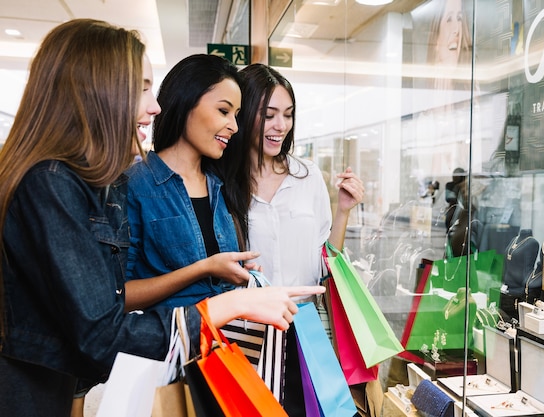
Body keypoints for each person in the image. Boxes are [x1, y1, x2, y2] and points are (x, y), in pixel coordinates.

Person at [0, 19, 323, 417]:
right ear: (98, 90)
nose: (154, 106)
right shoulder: (56, 184)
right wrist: (229, 304)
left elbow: (92, 309)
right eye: (141, 89)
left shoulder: (215, 186)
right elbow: (103, 329)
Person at [220, 63, 364, 416]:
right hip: (246, 330)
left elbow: (323, 261)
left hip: (304, 326)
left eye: (287, 115)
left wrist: (343, 211)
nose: (280, 126)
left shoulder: (307, 175)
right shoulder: (222, 180)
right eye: (268, 115)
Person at [124, 53, 261, 311]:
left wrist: (239, 274)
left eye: (236, 115)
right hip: (169, 346)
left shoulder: (220, 186)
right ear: (186, 101)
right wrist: (203, 269)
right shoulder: (135, 185)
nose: (234, 126)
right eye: (223, 111)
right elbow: (119, 296)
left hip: (223, 345)